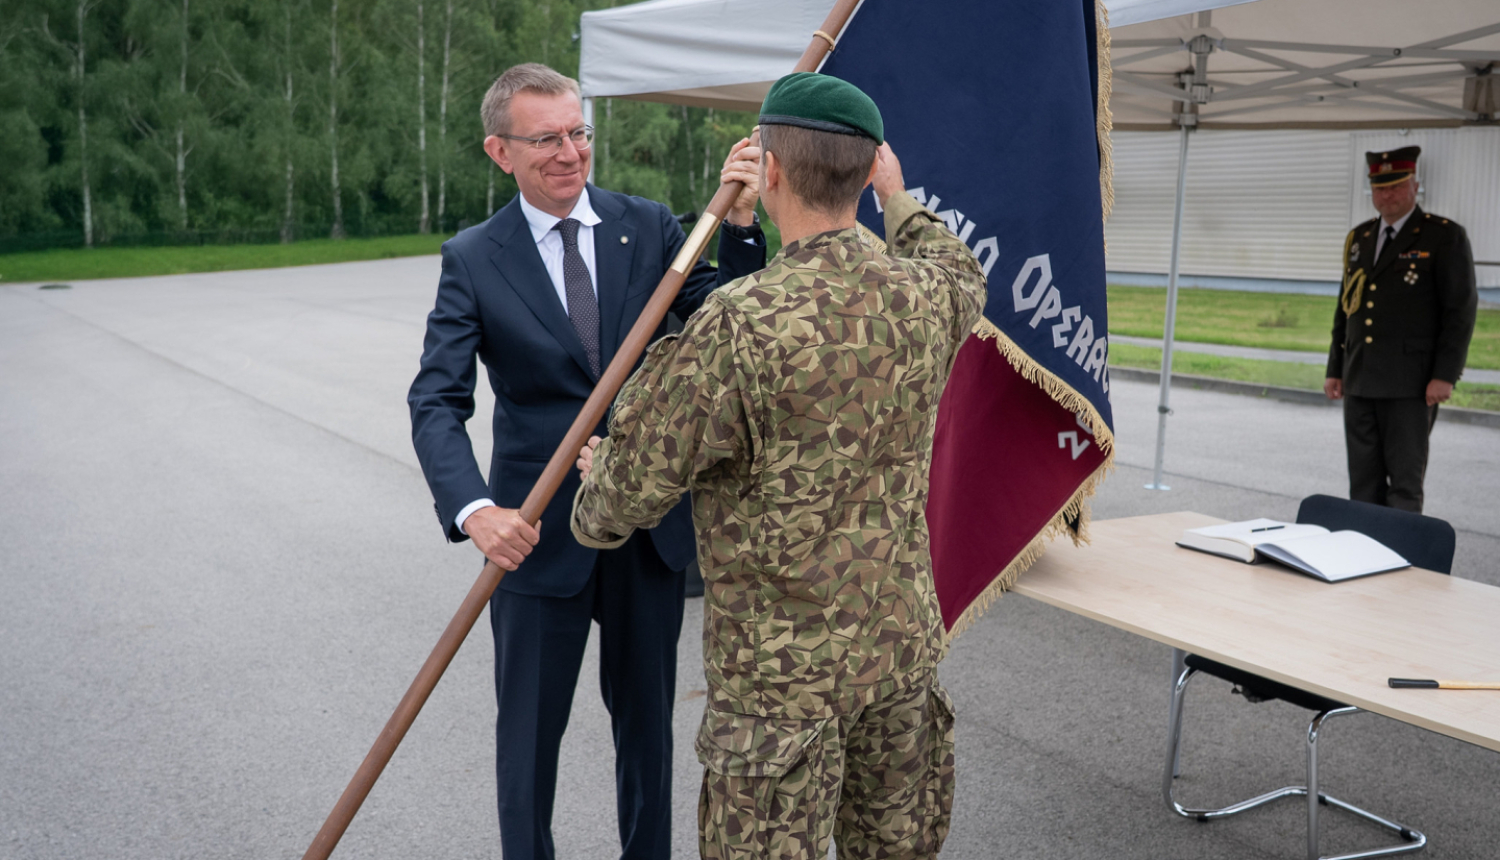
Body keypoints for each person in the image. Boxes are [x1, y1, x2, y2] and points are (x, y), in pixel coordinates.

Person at [571, 72, 987, 859]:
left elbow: (611, 512)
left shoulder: (741, 321)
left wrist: (604, 470)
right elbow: (962, 269)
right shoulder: (924, 297)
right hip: (897, 662)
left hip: (777, 693)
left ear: (770, 172)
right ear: (869, 171)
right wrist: (897, 199)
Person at [406, 62, 766, 860]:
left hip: (646, 528)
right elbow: (436, 400)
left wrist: (738, 225)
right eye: (546, 139)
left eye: (579, 133)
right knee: (528, 744)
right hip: (533, 537)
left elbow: (733, 322)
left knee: (648, 735)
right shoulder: (474, 257)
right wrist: (477, 512)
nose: (570, 153)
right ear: (500, 152)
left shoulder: (652, 227)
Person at [1324, 146, 1477, 513]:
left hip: (1411, 383)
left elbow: (1460, 312)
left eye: (1395, 186)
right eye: (1379, 188)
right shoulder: (1360, 238)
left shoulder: (1442, 236)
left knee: (1404, 485)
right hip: (1360, 378)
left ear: (1415, 186)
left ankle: (1399, 562)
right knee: (1363, 481)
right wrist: (1335, 368)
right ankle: (1361, 554)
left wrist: (1445, 375)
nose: (1386, 195)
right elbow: (1346, 308)